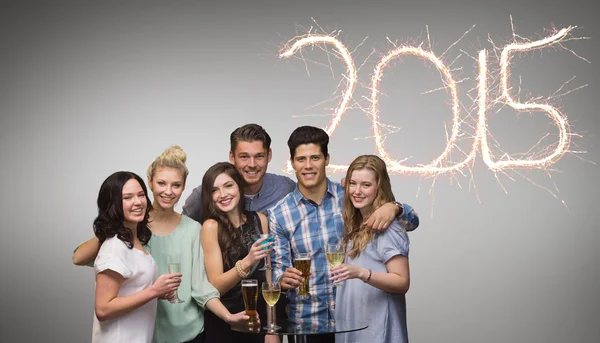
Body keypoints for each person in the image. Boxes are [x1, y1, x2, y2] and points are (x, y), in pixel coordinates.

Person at [74, 146, 252, 343]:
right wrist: (115, 224)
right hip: (145, 333)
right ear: (149, 183)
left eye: (176, 185)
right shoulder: (133, 227)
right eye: (161, 183)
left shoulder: (193, 229)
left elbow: (201, 287)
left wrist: (228, 316)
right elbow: (79, 258)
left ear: (184, 187)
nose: (168, 191)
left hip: (190, 333)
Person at [268, 126, 417, 343]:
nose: (308, 165)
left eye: (315, 158)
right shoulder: (279, 214)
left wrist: (394, 207)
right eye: (301, 159)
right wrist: (282, 279)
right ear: (292, 162)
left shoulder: (349, 198)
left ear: (327, 159)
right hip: (308, 323)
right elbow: (277, 273)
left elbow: (410, 223)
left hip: (353, 322)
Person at [91, 171, 181, 343]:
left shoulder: (133, 241)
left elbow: (131, 290)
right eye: (127, 197)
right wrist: (154, 291)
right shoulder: (114, 247)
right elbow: (103, 309)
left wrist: (159, 293)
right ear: (113, 204)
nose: (138, 202)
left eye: (141, 195)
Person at [331, 155, 410, 343]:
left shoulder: (388, 227)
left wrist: (360, 272)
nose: (357, 191)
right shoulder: (355, 223)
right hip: (355, 326)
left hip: (377, 331)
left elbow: (402, 282)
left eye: (366, 185)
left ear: (379, 188)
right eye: (353, 184)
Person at [200, 162, 278, 343]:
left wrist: (272, 328)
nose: (223, 195)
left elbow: (269, 281)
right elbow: (215, 287)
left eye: (228, 186)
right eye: (214, 190)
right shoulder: (211, 227)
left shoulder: (261, 220)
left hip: (259, 322)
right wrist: (247, 261)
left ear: (239, 186)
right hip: (225, 325)